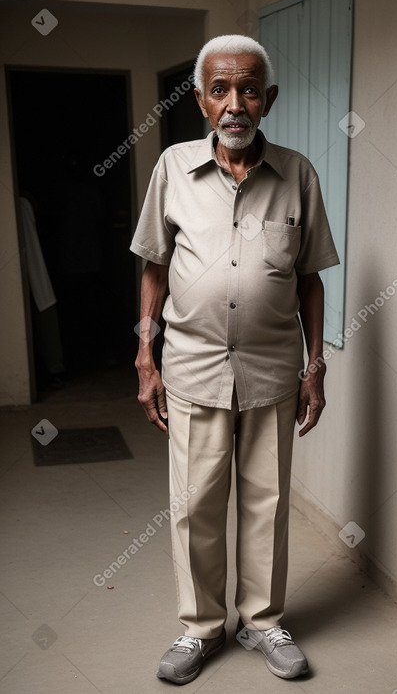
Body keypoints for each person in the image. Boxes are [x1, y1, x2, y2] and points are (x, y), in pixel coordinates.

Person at [130, 34, 339, 685]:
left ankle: (263, 619)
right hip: (192, 369)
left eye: (249, 89)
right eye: (220, 89)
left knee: (266, 500)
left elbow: (310, 279)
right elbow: (155, 265)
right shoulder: (172, 169)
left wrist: (314, 366)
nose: (235, 103)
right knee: (195, 506)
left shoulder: (299, 173)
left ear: (268, 98)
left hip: (274, 369)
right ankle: (200, 628)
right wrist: (145, 351)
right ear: (200, 98)